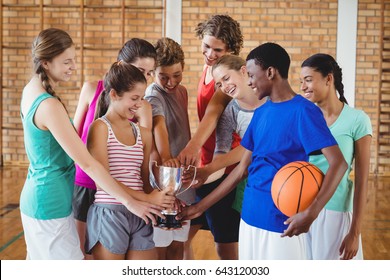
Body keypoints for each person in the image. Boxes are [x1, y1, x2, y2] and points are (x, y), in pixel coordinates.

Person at [178, 42, 348, 260]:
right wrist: (199, 208)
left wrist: (312, 212)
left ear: (270, 72)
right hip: (249, 218)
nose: (249, 81)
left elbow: (339, 163)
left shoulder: (304, 111)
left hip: (282, 221)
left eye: (251, 75)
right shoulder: (261, 113)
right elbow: (241, 171)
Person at [19, 28, 165, 260]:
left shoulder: (31, 92)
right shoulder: (48, 105)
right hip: (50, 201)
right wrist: (134, 202)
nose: (73, 67)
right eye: (67, 61)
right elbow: (87, 164)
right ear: (46, 63)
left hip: (44, 196)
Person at [72, 38, 157, 258]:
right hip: (89, 184)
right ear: (121, 65)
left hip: (128, 193)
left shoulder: (140, 105)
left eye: (150, 73)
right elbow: (73, 135)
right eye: (140, 70)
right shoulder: (93, 93)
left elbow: (142, 158)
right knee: (83, 254)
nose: (146, 77)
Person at [84, 62, 175, 260]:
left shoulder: (143, 134)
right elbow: (103, 183)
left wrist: (162, 203)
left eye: (141, 98)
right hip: (110, 213)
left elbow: (144, 181)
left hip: (140, 214)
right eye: (134, 98)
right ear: (114, 94)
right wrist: (148, 199)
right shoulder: (99, 128)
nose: (139, 104)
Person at [178, 14, 244, 260]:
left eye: (218, 49)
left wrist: (193, 144)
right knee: (183, 235)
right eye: (206, 46)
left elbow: (213, 113)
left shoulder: (226, 79)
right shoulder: (209, 68)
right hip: (207, 165)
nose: (210, 53)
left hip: (225, 167)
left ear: (230, 50)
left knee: (225, 245)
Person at [300, 53, 372, 260]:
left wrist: (354, 233)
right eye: (301, 82)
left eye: (308, 80)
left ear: (328, 79)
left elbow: (362, 181)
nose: (303, 87)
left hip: (336, 214)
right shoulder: (304, 117)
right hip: (302, 209)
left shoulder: (357, 120)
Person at [191, 54, 265, 213]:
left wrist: (207, 170)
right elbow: (220, 163)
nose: (224, 87)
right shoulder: (231, 112)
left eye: (226, 78)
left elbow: (255, 145)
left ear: (243, 71)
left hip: (284, 180)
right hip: (251, 183)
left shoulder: (271, 99)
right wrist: (193, 180)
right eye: (219, 84)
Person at [144, 37, 196, 260]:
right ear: (154, 72)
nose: (171, 82)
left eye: (176, 75)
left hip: (182, 178)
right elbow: (159, 126)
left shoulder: (182, 91)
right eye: (163, 76)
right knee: (160, 246)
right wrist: (166, 156)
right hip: (162, 177)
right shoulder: (153, 94)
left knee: (178, 245)